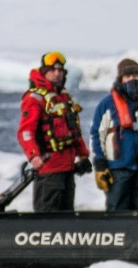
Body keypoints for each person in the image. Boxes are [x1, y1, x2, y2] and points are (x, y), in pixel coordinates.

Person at [16, 51, 91, 212]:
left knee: (66, 216)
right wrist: (34, 156)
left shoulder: (64, 97)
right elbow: (25, 132)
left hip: (68, 168)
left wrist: (83, 154)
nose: (57, 74)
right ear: (44, 72)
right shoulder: (35, 98)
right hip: (49, 169)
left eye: (60, 70)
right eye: (52, 70)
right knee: (47, 216)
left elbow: (74, 129)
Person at [89, 58, 138, 210]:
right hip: (118, 170)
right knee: (117, 213)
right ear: (121, 80)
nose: (132, 80)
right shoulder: (107, 104)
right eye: (128, 77)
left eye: (136, 76)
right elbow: (97, 135)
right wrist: (100, 164)